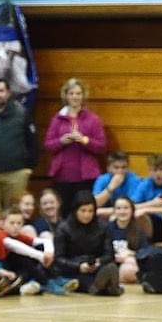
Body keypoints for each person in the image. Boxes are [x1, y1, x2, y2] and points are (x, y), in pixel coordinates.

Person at [44, 77, 107, 217]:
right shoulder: (57, 119)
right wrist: (61, 141)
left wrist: (85, 140)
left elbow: (101, 146)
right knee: (64, 212)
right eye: (71, 93)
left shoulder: (93, 119)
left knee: (84, 212)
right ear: (66, 96)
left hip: (85, 177)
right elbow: (48, 145)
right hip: (62, 177)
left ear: (83, 96)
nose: (75, 97)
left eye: (78, 93)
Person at [0, 78, 38, 209]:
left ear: (8, 93)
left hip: (16, 174)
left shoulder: (22, 114)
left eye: (1, 91)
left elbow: (32, 142)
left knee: (14, 213)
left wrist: (28, 168)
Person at [52, 191, 121, 296]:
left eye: (90, 211)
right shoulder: (63, 228)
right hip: (73, 270)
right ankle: (107, 287)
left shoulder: (103, 227)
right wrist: (78, 266)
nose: (87, 215)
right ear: (75, 210)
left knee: (110, 267)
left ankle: (104, 286)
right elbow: (59, 259)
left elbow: (109, 254)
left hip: (96, 268)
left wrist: (98, 262)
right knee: (78, 280)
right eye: (83, 211)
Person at [108, 196, 151, 284]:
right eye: (119, 208)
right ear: (114, 211)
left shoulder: (138, 230)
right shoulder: (107, 229)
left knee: (130, 264)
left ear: (132, 210)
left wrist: (131, 253)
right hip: (111, 265)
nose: (122, 211)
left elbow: (146, 252)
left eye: (126, 208)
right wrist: (115, 257)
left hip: (131, 265)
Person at [93, 151, 141, 219]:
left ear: (128, 168)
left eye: (123, 167)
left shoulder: (134, 180)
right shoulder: (102, 179)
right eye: (116, 167)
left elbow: (130, 207)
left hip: (127, 215)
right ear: (109, 168)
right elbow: (95, 204)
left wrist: (101, 211)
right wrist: (111, 188)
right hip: (106, 215)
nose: (120, 171)